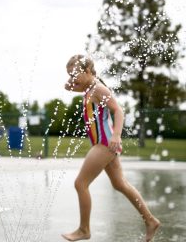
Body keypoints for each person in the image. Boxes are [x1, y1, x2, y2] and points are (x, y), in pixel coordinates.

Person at [61, 55, 160, 242]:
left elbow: (118, 110)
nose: (72, 79)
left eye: (75, 74)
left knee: (80, 184)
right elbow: (68, 86)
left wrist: (116, 136)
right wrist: (72, 78)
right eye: (70, 74)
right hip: (104, 143)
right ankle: (150, 220)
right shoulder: (88, 87)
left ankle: (84, 229)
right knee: (120, 183)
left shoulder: (98, 88)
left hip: (105, 143)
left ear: (88, 71)